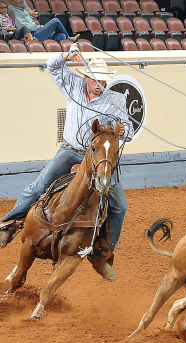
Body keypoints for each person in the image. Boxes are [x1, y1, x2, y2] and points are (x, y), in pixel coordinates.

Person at [0, 44, 133, 280]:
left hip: (95, 157)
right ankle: (8, 226)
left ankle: (103, 253)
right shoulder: (72, 84)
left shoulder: (115, 100)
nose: (100, 84)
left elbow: (129, 129)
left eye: (103, 81)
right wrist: (66, 55)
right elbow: (52, 66)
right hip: (69, 151)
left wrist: (122, 130)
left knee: (119, 206)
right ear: (87, 77)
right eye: (96, 80)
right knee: (39, 187)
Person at [8, 0, 77, 42]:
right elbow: (22, 26)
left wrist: (39, 27)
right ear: (12, 1)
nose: (21, 0)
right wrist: (39, 27)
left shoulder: (24, 10)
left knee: (61, 36)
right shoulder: (12, 11)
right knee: (55, 21)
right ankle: (69, 39)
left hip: (37, 32)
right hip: (32, 34)